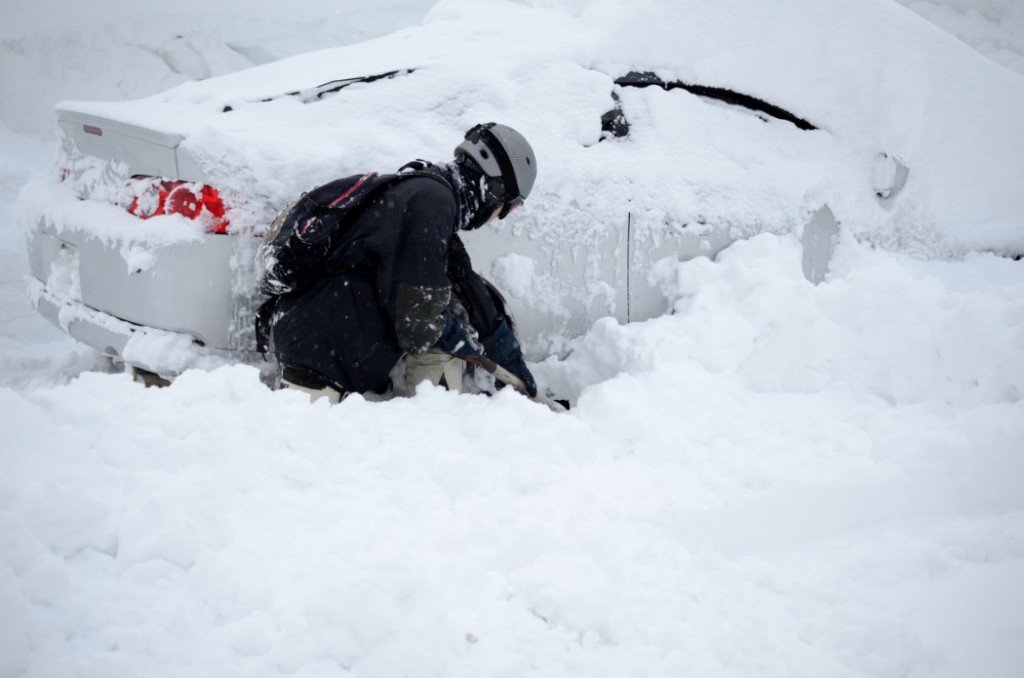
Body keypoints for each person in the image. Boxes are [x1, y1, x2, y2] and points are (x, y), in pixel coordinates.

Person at [267, 122, 539, 404]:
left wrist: (512, 361)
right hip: (322, 354)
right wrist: (459, 338)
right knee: (440, 337)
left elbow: (469, 289)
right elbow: (418, 324)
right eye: (509, 207)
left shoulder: (429, 197)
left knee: (446, 327)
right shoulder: (432, 202)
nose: (498, 217)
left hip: (320, 339)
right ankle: (435, 419)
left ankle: (435, 420)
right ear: (492, 190)